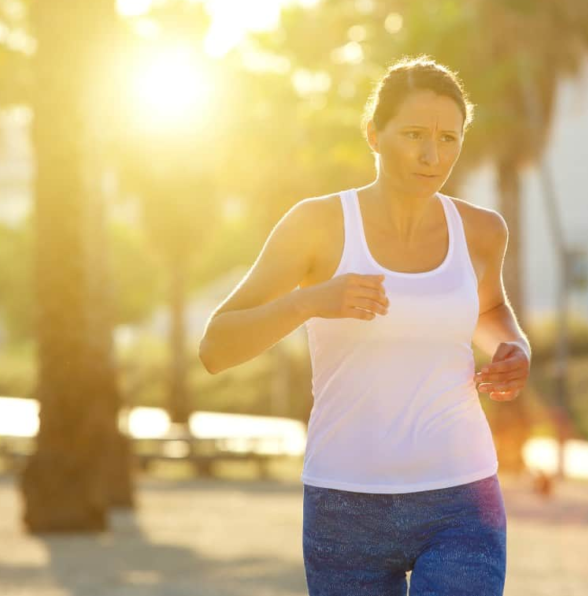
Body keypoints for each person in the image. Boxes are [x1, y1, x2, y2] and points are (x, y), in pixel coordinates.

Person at [198, 56, 530, 596]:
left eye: (449, 138)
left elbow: (490, 312)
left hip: (463, 497)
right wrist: (310, 301)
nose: (432, 155)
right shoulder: (318, 225)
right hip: (343, 503)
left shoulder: (482, 231)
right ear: (373, 134)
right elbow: (216, 347)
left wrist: (514, 348)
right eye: (414, 134)